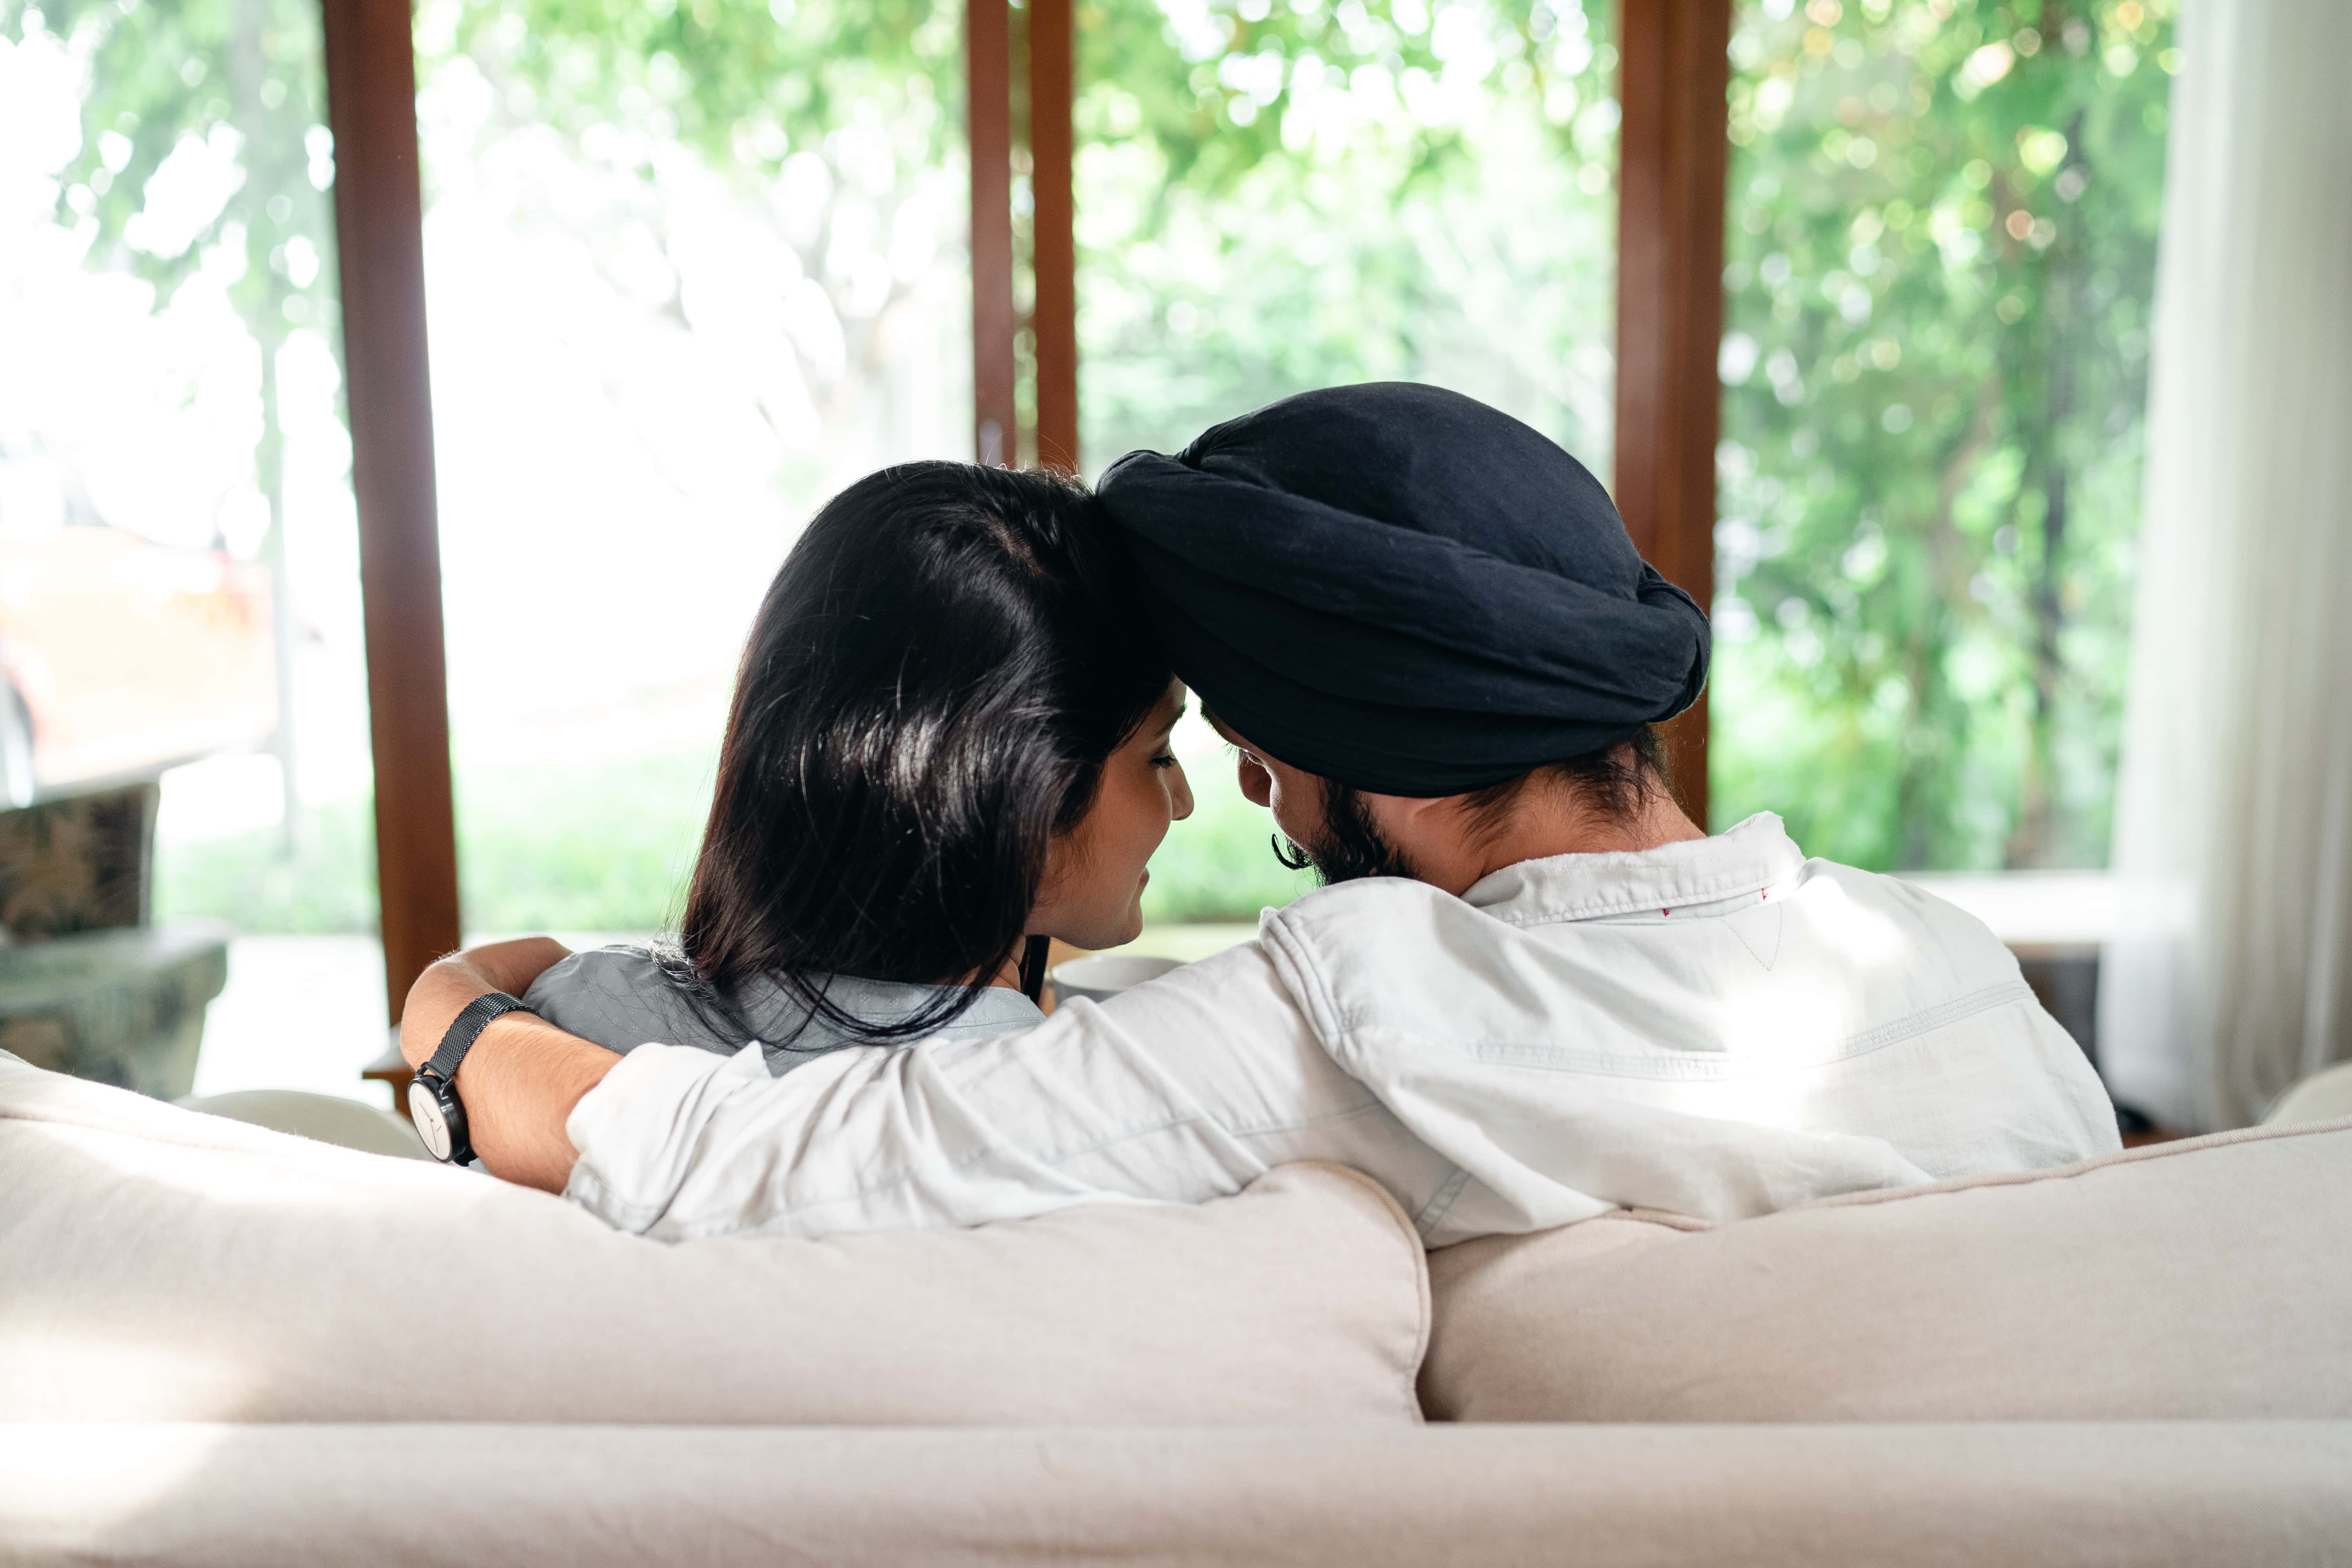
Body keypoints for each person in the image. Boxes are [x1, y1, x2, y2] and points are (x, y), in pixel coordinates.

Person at [404, 384, 2121, 1242]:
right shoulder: (1959, 967)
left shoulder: (1362, 1003)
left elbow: (768, 1165)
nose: (1244, 786)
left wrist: (454, 1013)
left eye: (1264, 743)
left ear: (1381, 739)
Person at [409, 459, 1194, 1127]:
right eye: (1158, 754)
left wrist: (460, 1000)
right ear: (1022, 799)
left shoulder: (577, 1012)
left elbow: (521, 967)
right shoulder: (1069, 1103)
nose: (1184, 798)